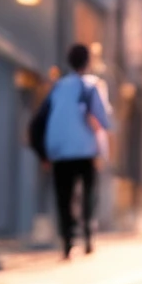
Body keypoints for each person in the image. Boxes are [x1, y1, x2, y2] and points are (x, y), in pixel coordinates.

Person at [42, 43, 111, 258]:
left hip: (60, 150)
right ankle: (88, 234)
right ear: (87, 61)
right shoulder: (92, 86)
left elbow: (48, 115)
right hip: (86, 150)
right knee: (89, 193)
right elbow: (104, 120)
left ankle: (67, 240)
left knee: (64, 195)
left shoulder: (58, 86)